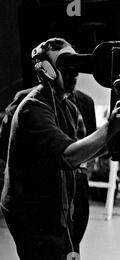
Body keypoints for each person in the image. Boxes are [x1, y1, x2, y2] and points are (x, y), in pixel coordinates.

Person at [0, 37, 120, 260]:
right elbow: (68, 157)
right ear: (47, 71)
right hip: (32, 210)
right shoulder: (33, 108)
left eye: (76, 69)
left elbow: (81, 151)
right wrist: (109, 128)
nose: (74, 75)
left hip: (59, 204)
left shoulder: (69, 105)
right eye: (66, 68)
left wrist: (117, 140)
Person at [0, 85, 97, 250]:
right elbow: (6, 145)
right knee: (43, 257)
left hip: (76, 189)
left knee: (72, 250)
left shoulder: (85, 102)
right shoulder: (28, 101)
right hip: (39, 195)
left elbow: (90, 145)